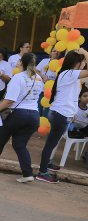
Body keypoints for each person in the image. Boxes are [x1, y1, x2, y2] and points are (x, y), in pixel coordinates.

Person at [0, 53, 43, 182]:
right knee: (20, 144)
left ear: (21, 62)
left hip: (17, 114)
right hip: (34, 116)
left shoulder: (18, 77)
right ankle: (27, 173)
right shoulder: (38, 78)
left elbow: (10, 100)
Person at [36, 48, 88, 183]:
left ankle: (47, 164)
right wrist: (85, 53)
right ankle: (42, 172)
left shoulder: (69, 74)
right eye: (82, 61)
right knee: (51, 143)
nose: (84, 64)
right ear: (77, 62)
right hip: (61, 115)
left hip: (62, 114)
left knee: (53, 142)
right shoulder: (70, 74)